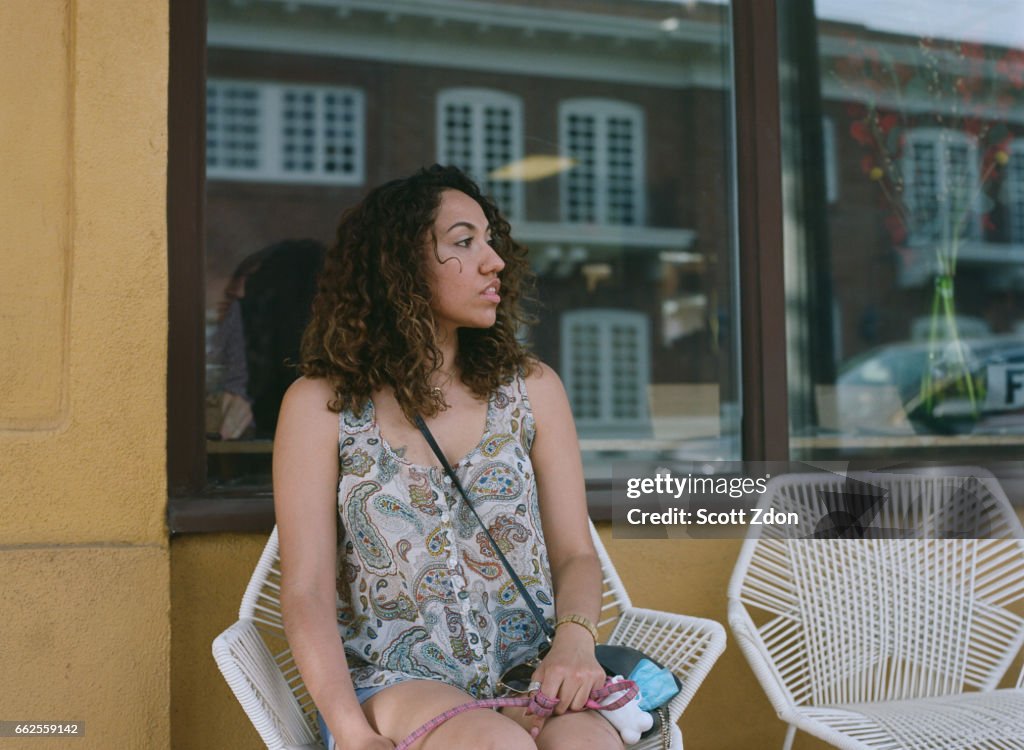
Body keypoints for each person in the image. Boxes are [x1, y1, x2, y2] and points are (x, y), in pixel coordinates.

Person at [274, 165, 622, 750]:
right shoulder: (322, 406)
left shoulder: (532, 389)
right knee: (497, 746)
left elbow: (575, 554)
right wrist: (351, 732)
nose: (495, 262)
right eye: (464, 242)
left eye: (491, 240)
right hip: (396, 676)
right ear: (400, 266)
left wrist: (574, 643)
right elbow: (306, 590)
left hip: (527, 667)